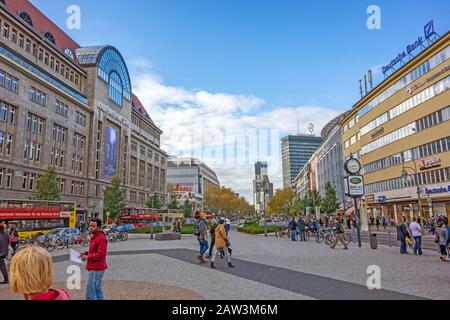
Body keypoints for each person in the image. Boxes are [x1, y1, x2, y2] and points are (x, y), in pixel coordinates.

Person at [80, 218, 108, 300]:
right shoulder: (94, 237)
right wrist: (85, 253)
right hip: (95, 268)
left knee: (90, 292)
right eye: (90, 225)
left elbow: (101, 254)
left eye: (93, 226)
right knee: (97, 289)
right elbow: (94, 251)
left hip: (97, 268)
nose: (90, 227)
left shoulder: (101, 238)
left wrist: (88, 257)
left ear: (98, 227)